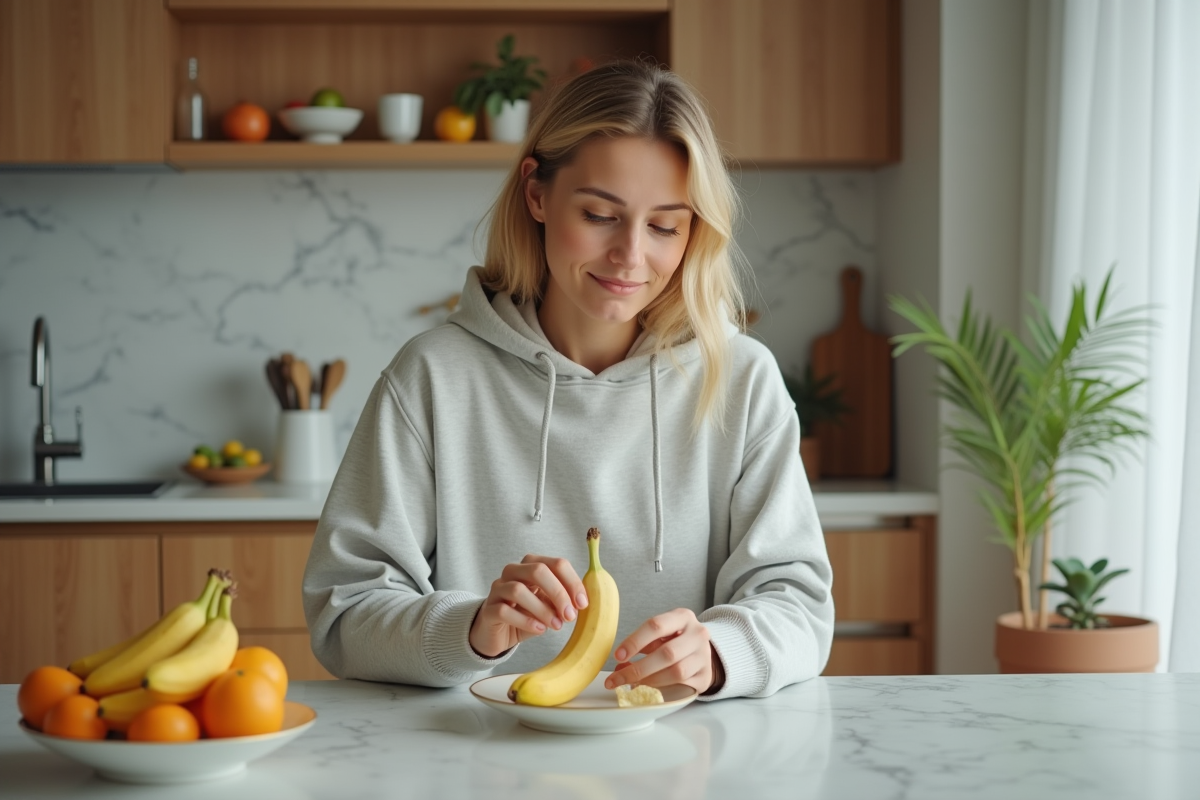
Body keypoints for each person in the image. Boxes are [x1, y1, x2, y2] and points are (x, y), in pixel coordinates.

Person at [302, 60, 834, 700]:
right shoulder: (432, 377)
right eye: (600, 215)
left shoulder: (742, 380)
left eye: (666, 225)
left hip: (690, 760)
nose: (631, 256)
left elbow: (798, 604)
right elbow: (344, 611)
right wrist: (469, 629)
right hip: (473, 758)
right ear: (536, 193)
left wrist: (721, 653)